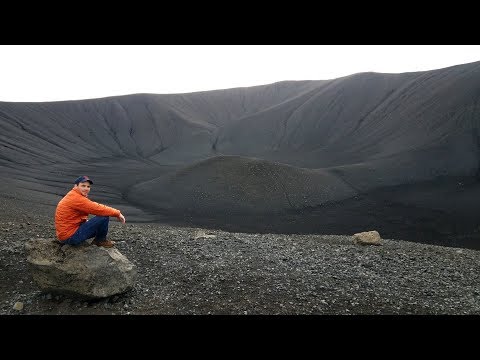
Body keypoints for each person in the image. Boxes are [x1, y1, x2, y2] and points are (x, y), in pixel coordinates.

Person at [55, 175, 126, 248]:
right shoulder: (76, 198)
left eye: (88, 187)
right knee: (103, 217)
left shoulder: (73, 195)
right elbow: (97, 208)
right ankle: (100, 241)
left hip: (65, 234)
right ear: (76, 186)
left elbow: (74, 217)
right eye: (83, 186)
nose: (86, 189)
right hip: (70, 237)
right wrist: (117, 213)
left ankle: (99, 240)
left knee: (99, 227)